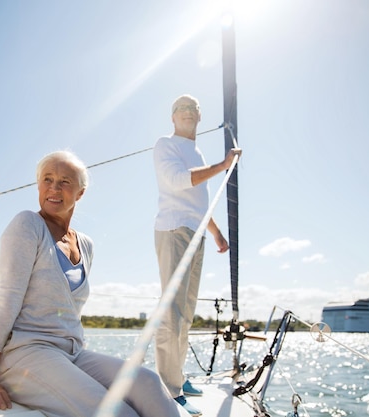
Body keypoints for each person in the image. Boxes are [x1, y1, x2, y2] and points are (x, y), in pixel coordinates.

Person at [0, 150, 190, 417]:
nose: (54, 188)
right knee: (116, 411)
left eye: (65, 181)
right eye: (47, 179)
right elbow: (7, 304)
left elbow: (69, 310)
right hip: (26, 353)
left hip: (73, 353)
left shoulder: (85, 244)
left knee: (149, 383)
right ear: (38, 185)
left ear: (80, 193)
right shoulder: (27, 224)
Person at [153, 95, 242, 416]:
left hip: (196, 231)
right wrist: (222, 166)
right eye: (181, 108)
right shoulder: (166, 144)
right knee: (172, 309)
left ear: (200, 117)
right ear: (173, 116)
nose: (187, 112)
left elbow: (199, 202)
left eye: (193, 109)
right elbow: (178, 182)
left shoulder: (197, 152)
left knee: (186, 311)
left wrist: (216, 232)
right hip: (174, 229)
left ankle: (177, 376)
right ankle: (167, 387)